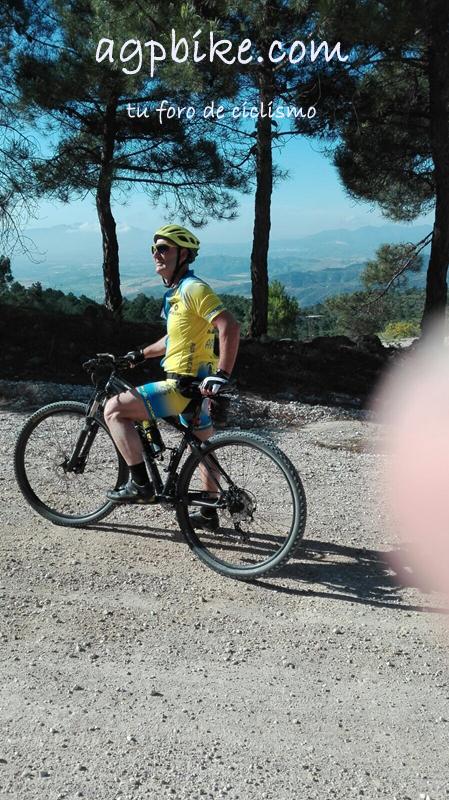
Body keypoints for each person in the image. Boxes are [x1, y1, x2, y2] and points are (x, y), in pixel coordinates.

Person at [104, 223, 240, 530]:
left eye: (164, 248)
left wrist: (223, 374)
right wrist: (139, 355)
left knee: (113, 409)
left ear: (184, 255)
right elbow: (172, 340)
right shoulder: (176, 295)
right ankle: (208, 513)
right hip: (197, 386)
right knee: (202, 448)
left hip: (181, 386)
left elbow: (229, 326)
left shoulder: (193, 289)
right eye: (154, 249)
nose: (156, 254)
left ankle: (140, 485)